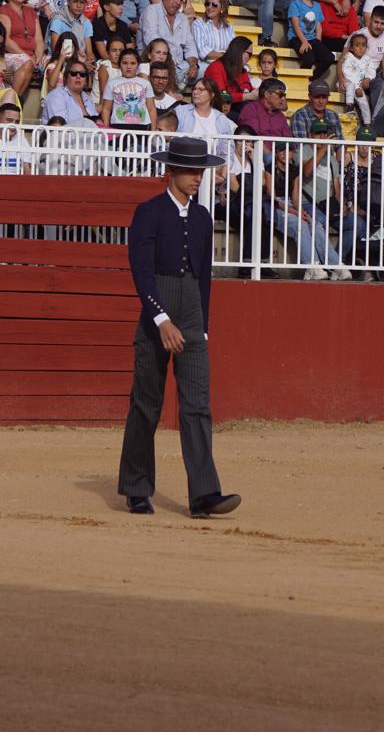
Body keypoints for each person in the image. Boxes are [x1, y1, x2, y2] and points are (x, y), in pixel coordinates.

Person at [118, 137, 240, 519]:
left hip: (191, 313)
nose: (196, 177)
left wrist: (201, 325)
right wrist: (161, 319)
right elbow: (141, 272)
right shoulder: (149, 212)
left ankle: (204, 493)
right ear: (170, 171)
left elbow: (203, 277)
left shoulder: (203, 218)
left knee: (197, 405)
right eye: (189, 170)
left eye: (200, 170)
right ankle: (137, 488)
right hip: (159, 309)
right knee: (146, 403)